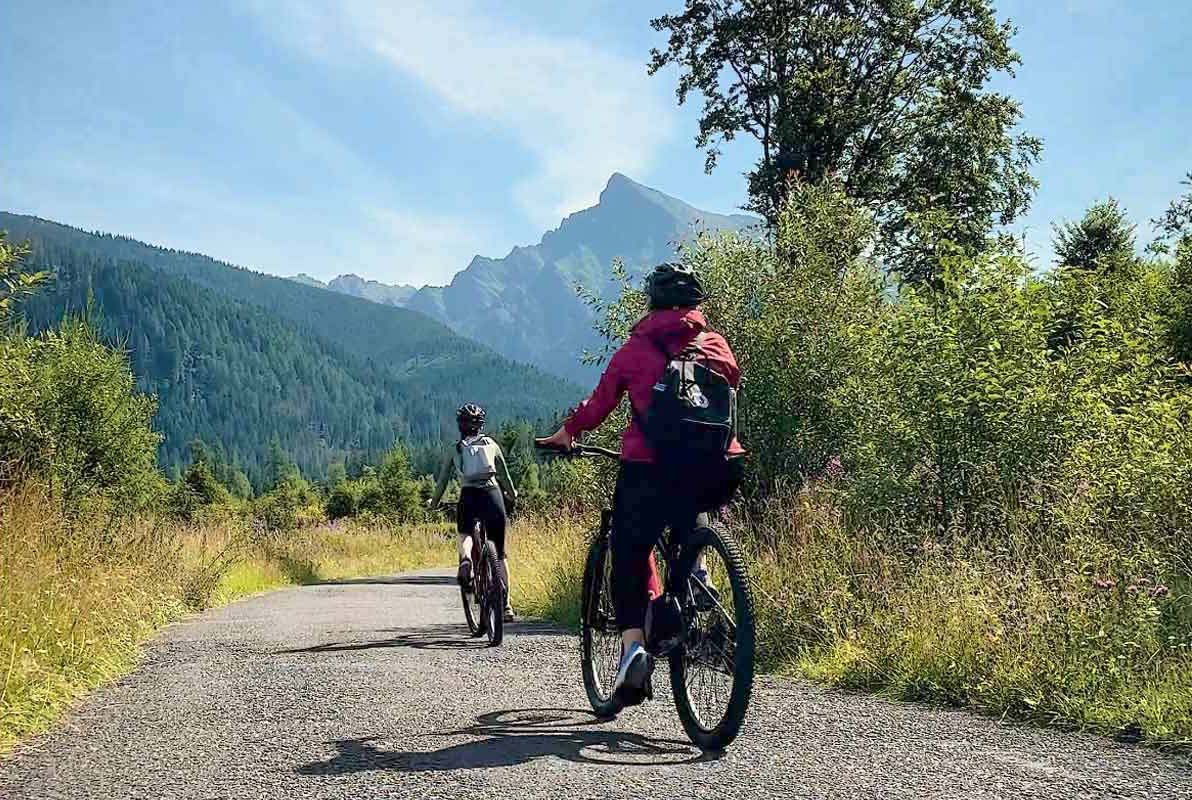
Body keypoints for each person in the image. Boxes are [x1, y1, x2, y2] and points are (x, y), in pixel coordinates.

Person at [538, 262, 745, 706]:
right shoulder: (718, 346)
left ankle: (633, 648)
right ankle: (697, 570)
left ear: (651, 301)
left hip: (649, 468)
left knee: (629, 549)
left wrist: (569, 432)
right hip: (718, 468)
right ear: (697, 304)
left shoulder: (636, 349)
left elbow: (601, 401)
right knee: (692, 504)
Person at [429, 403, 518, 622]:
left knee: (465, 534)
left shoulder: (456, 448)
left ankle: (467, 559)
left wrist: (434, 502)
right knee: (500, 551)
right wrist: (513, 495)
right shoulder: (491, 445)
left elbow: (441, 482)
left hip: (468, 495)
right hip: (492, 495)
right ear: (481, 425)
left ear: (460, 425)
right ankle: (506, 605)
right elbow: (505, 477)